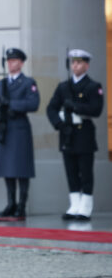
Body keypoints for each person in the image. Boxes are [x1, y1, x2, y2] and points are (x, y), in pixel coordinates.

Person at [46, 49, 103, 221]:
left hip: (83, 133)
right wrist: (59, 124)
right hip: (67, 132)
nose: (75, 66)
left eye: (79, 62)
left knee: (85, 172)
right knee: (71, 171)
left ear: (86, 65)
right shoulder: (63, 87)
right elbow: (51, 108)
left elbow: (96, 109)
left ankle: (85, 207)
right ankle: (74, 205)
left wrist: (76, 107)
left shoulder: (93, 86)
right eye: (73, 62)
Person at [0, 48, 40, 218]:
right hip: (5, 128)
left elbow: (33, 103)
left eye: (14, 61)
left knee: (22, 169)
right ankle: (11, 203)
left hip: (19, 127)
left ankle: (21, 204)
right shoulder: (1, 84)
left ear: (21, 63)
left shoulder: (28, 82)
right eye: (9, 61)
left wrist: (13, 105)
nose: (11, 64)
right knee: (7, 169)